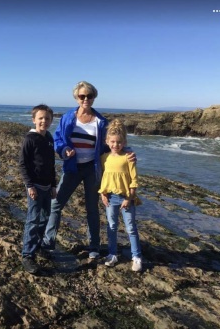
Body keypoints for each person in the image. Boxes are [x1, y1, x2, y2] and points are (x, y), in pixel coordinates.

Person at [42, 81, 135, 259]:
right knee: (56, 204)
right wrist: (63, 150)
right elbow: (58, 139)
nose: (86, 99)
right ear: (76, 98)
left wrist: (128, 153)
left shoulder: (101, 122)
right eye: (82, 96)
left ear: (94, 97)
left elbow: (113, 144)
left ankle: (94, 247)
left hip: (92, 169)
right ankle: (48, 241)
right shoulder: (68, 117)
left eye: (89, 96)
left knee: (92, 208)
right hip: (71, 168)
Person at [98, 119, 143, 272]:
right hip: (110, 198)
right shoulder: (104, 158)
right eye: (112, 142)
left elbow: (134, 180)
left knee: (130, 227)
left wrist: (129, 198)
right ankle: (112, 254)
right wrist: (103, 194)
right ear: (106, 141)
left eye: (118, 142)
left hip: (126, 199)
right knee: (111, 226)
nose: (115, 145)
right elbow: (105, 178)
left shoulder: (128, 158)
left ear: (124, 142)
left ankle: (136, 257)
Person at [19, 104, 57, 274]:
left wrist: (54, 185)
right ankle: (28, 255)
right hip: (35, 187)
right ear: (34, 120)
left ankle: (38, 246)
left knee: (44, 218)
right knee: (33, 220)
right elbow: (23, 164)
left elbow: (51, 164)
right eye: (40, 118)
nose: (44, 121)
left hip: (48, 187)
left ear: (51, 121)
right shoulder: (30, 139)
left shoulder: (49, 137)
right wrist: (29, 185)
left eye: (47, 118)